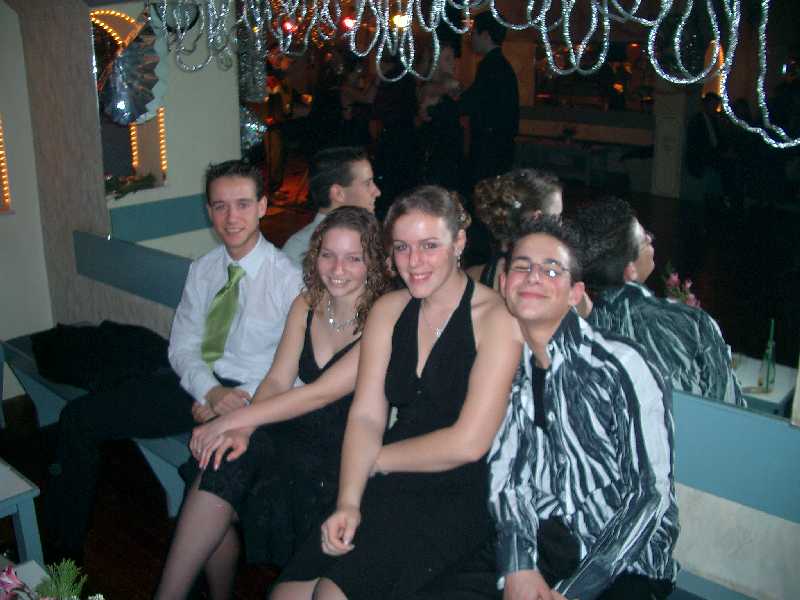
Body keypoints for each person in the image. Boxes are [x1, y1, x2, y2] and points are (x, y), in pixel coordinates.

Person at [41, 160, 303, 563]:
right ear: (209, 211)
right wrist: (209, 391)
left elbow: (294, 369)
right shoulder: (204, 269)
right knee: (79, 418)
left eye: (243, 204)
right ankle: (62, 560)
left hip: (255, 401)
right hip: (199, 385)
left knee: (207, 481)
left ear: (263, 206)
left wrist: (233, 402)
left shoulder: (289, 280)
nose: (231, 217)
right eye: (220, 206)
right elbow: (182, 346)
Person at [271, 186, 522, 600]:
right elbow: (367, 415)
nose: (414, 261)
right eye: (402, 247)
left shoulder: (496, 318)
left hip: (459, 489)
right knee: (286, 594)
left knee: (330, 593)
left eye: (429, 245)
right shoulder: (389, 310)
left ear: (459, 241)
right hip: (388, 476)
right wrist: (348, 502)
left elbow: (469, 443)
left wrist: (373, 461)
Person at [154, 207, 391, 599]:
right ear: (315, 254)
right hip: (293, 426)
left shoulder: (384, 316)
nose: (338, 269)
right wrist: (244, 428)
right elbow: (278, 379)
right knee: (222, 462)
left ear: (374, 263)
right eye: (328, 254)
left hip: (343, 449)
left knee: (229, 455)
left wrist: (230, 421)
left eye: (354, 258)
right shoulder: (306, 303)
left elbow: (319, 392)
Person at [489, 216, 678, 600]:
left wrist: (576, 590)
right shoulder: (506, 367)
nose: (533, 277)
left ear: (575, 293)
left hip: (625, 560)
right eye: (522, 266)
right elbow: (508, 479)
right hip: (546, 543)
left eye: (551, 270)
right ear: (504, 282)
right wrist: (519, 565)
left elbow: (649, 494)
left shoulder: (622, 365)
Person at [574, 197, 744, 406]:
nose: (650, 239)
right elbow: (729, 406)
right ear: (630, 269)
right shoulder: (693, 323)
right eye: (644, 240)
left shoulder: (575, 331)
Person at [282, 147, 381, 266]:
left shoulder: (369, 235)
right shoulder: (300, 251)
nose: (377, 192)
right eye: (367, 183)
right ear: (338, 193)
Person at [468, 169, 563, 289]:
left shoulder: (472, 277)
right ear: (537, 219)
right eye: (557, 217)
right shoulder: (557, 283)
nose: (561, 224)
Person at [460, 11, 519, 190]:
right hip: (500, 146)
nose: (471, 38)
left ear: (485, 35)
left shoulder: (490, 65)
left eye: (474, 33)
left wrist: (440, 105)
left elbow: (472, 102)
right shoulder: (501, 64)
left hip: (489, 148)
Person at [416, 42, 464, 191]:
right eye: (447, 59)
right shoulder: (429, 87)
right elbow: (423, 114)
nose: (453, 63)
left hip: (451, 151)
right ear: (435, 62)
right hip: (437, 150)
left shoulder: (448, 85)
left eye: (453, 58)